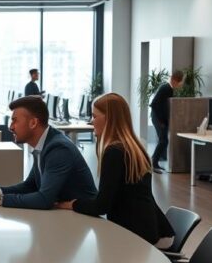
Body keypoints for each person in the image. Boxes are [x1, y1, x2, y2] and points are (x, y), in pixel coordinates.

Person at [56, 93, 174, 245]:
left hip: (144, 237)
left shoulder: (114, 152)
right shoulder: (133, 147)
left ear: (109, 119)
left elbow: (101, 205)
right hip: (152, 227)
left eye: (94, 116)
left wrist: (72, 204)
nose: (92, 121)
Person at [0, 96, 97, 209]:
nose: (11, 127)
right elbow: (30, 185)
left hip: (84, 219)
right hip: (66, 217)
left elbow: (44, 200)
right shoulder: (44, 143)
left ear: (33, 123)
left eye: (15, 120)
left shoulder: (58, 149)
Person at [149, 70, 184, 173]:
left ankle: (154, 162)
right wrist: (161, 121)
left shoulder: (169, 89)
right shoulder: (166, 88)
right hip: (158, 118)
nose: (180, 84)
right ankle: (153, 163)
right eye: (179, 81)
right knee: (163, 141)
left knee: (163, 141)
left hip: (160, 119)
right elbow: (154, 104)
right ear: (174, 80)